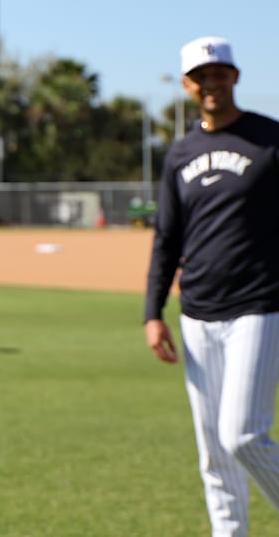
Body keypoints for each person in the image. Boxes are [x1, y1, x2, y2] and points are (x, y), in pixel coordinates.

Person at [145, 36, 279, 536]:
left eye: (219, 73)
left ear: (235, 76)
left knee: (243, 435)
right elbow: (166, 237)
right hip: (197, 312)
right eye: (200, 76)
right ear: (187, 85)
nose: (211, 83)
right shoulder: (180, 153)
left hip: (259, 308)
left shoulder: (270, 139)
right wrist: (152, 312)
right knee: (215, 451)